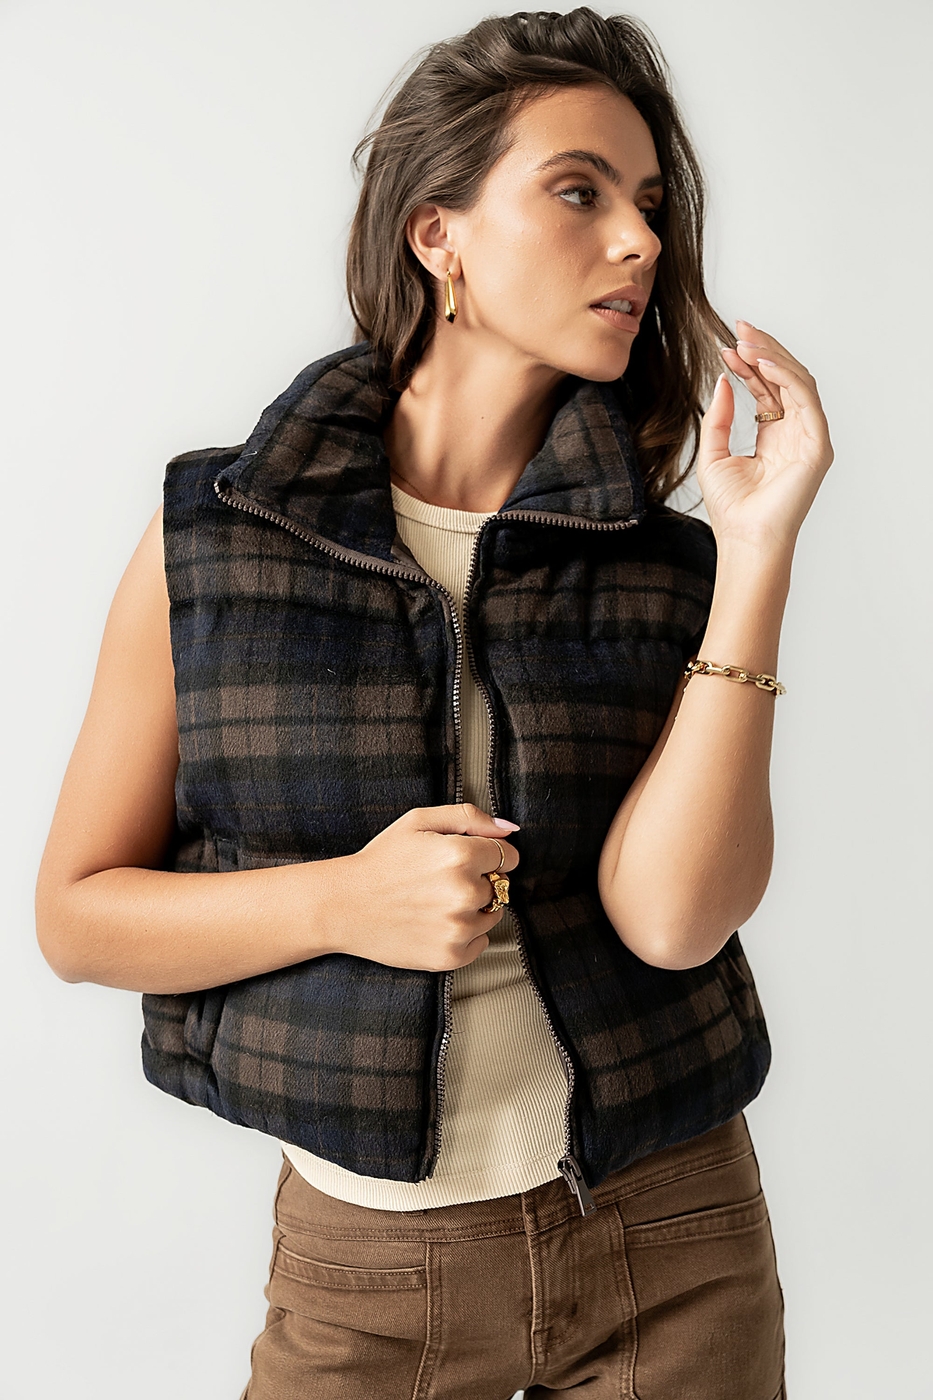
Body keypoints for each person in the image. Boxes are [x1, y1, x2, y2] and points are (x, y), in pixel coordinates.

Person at [35, 9, 832, 1398]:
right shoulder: (217, 537)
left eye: (650, 206)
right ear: (436, 234)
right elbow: (78, 918)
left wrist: (757, 550)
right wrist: (344, 903)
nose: (639, 242)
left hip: (674, 1232)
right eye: (578, 192)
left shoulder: (667, 564)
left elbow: (674, 921)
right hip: (371, 1273)